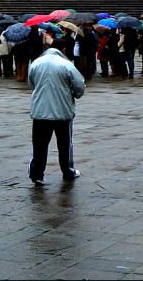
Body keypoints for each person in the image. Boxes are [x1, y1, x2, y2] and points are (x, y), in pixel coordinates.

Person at [27, 32, 85, 186]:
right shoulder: (66, 64)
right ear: (64, 49)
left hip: (40, 112)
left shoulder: (36, 63)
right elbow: (79, 87)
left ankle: (37, 174)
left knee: (39, 145)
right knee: (65, 144)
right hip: (62, 112)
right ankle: (67, 171)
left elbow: (31, 85)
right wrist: (72, 94)